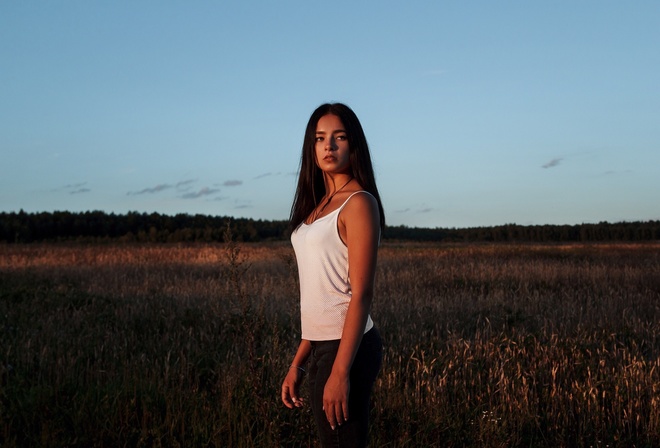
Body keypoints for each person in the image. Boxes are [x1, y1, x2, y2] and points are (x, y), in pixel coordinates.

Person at [281, 103, 385, 447]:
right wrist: (298, 362)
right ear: (311, 148)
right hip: (322, 348)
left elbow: (360, 294)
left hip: (348, 348)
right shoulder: (317, 207)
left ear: (353, 145)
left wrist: (341, 372)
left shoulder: (358, 202)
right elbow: (321, 296)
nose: (329, 146)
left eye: (339, 137)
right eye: (320, 138)